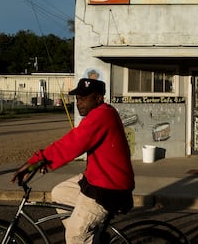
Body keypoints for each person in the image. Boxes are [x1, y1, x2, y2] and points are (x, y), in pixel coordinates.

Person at [11, 78, 135, 244]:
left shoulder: (102, 115)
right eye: (77, 98)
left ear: (98, 98)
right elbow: (71, 143)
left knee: (75, 236)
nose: (78, 103)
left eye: (83, 98)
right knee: (60, 193)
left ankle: (81, 238)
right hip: (97, 180)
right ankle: (91, 237)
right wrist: (42, 161)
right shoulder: (101, 114)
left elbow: (71, 145)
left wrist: (38, 160)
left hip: (107, 188)